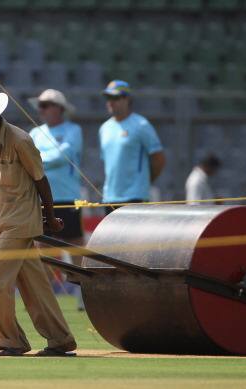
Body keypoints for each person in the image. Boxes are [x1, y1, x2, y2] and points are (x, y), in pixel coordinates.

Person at [0, 92, 77, 357]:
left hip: (20, 222)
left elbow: (40, 179)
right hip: (2, 221)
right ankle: (61, 339)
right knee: (34, 284)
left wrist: (51, 217)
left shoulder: (20, 140)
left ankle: (11, 341)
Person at [28, 89, 85, 310]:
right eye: (40, 105)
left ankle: (82, 290)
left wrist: (37, 160)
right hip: (41, 198)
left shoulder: (73, 130)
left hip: (68, 197)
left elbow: (63, 156)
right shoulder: (35, 132)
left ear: (59, 108)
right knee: (42, 246)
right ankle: (46, 296)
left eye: (46, 105)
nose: (41, 109)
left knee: (75, 245)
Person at [99, 80, 166, 214]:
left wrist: (142, 184)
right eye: (108, 97)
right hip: (109, 198)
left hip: (135, 198)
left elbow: (159, 159)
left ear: (127, 99)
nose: (110, 102)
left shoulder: (141, 125)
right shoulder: (104, 128)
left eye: (115, 97)